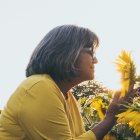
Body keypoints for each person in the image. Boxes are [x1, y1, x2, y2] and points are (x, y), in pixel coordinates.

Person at [0, 25, 137, 140]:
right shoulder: (39, 86)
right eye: (91, 52)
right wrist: (110, 118)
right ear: (68, 53)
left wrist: (112, 116)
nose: (95, 61)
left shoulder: (67, 96)